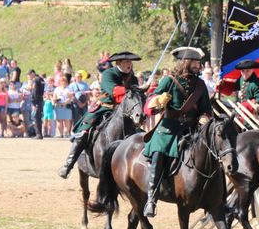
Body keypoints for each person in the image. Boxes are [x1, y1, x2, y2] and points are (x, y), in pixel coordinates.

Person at [142, 47, 212, 217]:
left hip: (192, 129)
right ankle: (151, 198)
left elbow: (206, 110)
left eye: (198, 62)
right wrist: (159, 100)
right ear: (185, 62)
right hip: (169, 127)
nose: (198, 65)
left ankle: (213, 197)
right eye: (195, 62)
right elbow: (150, 105)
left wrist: (203, 120)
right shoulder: (169, 80)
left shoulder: (200, 84)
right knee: (159, 152)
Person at [57, 52, 141, 178]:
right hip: (105, 108)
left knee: (140, 133)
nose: (130, 64)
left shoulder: (133, 78)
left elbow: (134, 96)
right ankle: (68, 165)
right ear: (118, 63)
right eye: (126, 62)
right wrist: (131, 90)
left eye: (130, 62)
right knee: (84, 131)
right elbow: (113, 91)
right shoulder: (109, 74)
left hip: (125, 112)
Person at [26, 70, 45, 139]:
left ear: (32, 73)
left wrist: (33, 102)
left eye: (29, 75)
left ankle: (38, 134)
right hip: (40, 99)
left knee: (36, 118)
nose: (29, 77)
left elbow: (35, 92)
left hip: (37, 101)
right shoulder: (41, 79)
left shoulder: (36, 80)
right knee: (38, 117)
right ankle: (39, 133)